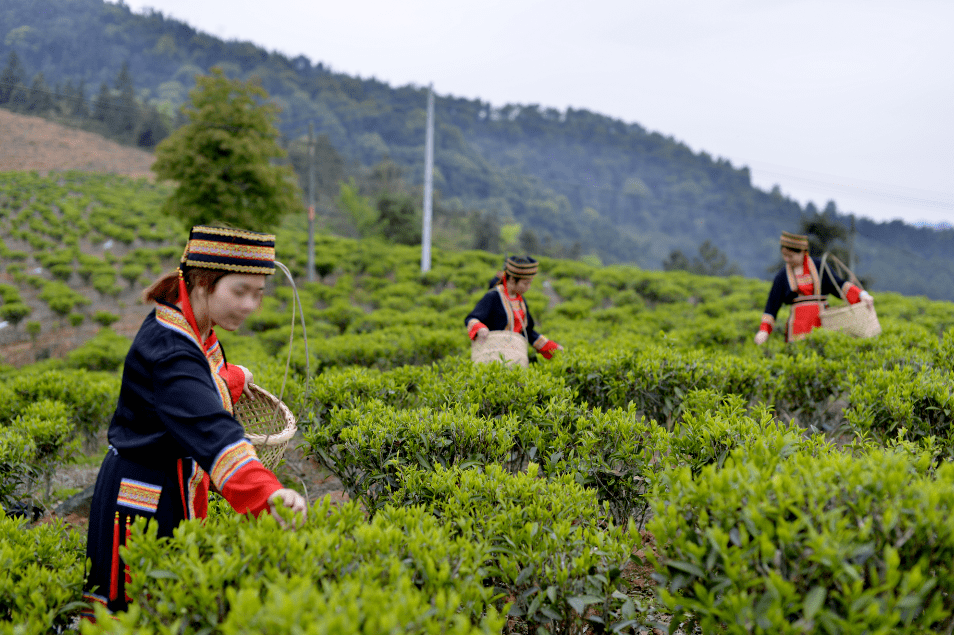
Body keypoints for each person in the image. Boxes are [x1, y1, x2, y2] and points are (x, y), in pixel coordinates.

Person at [82, 225, 307, 620]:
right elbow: (210, 428)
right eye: (239, 291)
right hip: (144, 494)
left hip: (169, 483)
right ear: (203, 284)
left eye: (258, 293)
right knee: (134, 611)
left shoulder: (197, 330)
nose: (251, 305)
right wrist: (265, 493)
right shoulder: (171, 349)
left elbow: (197, 389)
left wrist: (235, 377)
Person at [755, 231, 874, 344]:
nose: (787, 259)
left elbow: (839, 285)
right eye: (784, 255)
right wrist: (764, 330)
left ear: (803, 252)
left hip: (822, 323)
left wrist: (861, 295)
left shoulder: (819, 266)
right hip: (797, 328)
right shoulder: (781, 276)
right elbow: (772, 305)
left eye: (790, 256)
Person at [465, 255, 562, 360]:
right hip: (491, 355)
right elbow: (471, 319)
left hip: (515, 354)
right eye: (525, 283)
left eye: (530, 283)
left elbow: (528, 331)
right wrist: (480, 328)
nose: (528, 287)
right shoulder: (493, 297)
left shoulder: (521, 301)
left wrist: (551, 347)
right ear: (511, 279)